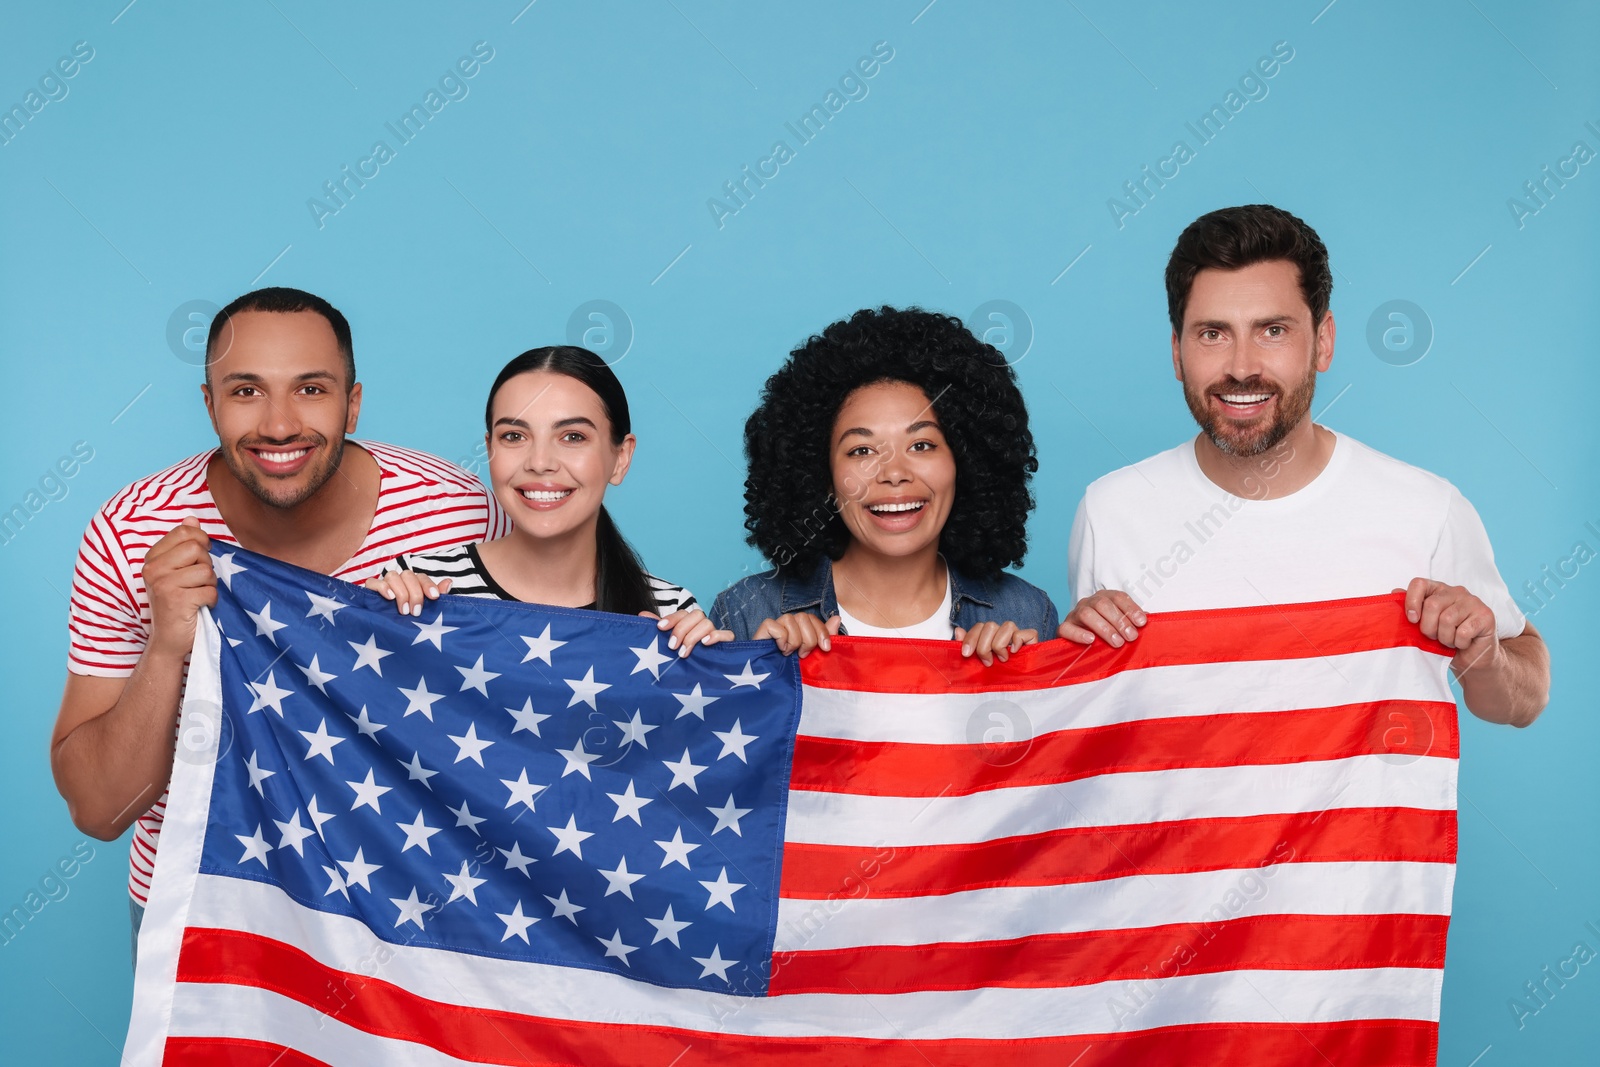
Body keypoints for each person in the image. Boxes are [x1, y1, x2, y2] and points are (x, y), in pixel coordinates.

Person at [49, 287, 510, 952]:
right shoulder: (131, 534)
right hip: (208, 911)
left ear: (353, 403)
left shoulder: (458, 514)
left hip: (410, 905)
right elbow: (99, 808)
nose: (279, 423)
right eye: (245, 392)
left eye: (311, 389)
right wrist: (168, 646)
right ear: (209, 405)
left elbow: (518, 722)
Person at [1059, 204, 1549, 727]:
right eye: (1212, 334)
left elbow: (1525, 700)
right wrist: (1074, 659)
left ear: (1323, 341)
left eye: (1273, 331)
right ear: (1177, 352)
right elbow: (1091, 725)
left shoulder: (1427, 509)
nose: (1242, 367)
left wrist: (1486, 656)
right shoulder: (1109, 512)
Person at [712, 306, 1057, 663]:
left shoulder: (1026, 614)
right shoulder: (746, 613)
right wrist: (760, 675)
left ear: (964, 463)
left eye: (921, 445)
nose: (894, 473)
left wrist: (1018, 680)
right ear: (823, 477)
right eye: (862, 450)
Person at [366, 346, 725, 656]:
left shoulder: (669, 612)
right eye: (514, 436)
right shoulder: (419, 583)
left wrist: (714, 669)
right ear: (490, 449)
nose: (540, 462)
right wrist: (371, 619)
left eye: (572, 436)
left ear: (621, 458)